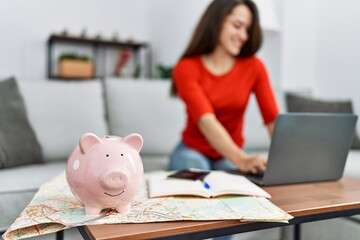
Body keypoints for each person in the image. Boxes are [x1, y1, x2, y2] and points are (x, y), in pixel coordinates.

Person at [169, 0, 279, 175]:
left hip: (229, 153)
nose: (243, 36)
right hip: (193, 150)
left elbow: (273, 120)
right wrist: (242, 160)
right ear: (217, 21)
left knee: (236, 179)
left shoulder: (255, 67)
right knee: (197, 168)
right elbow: (206, 121)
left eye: (247, 30)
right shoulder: (186, 67)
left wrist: (286, 165)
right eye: (237, 26)